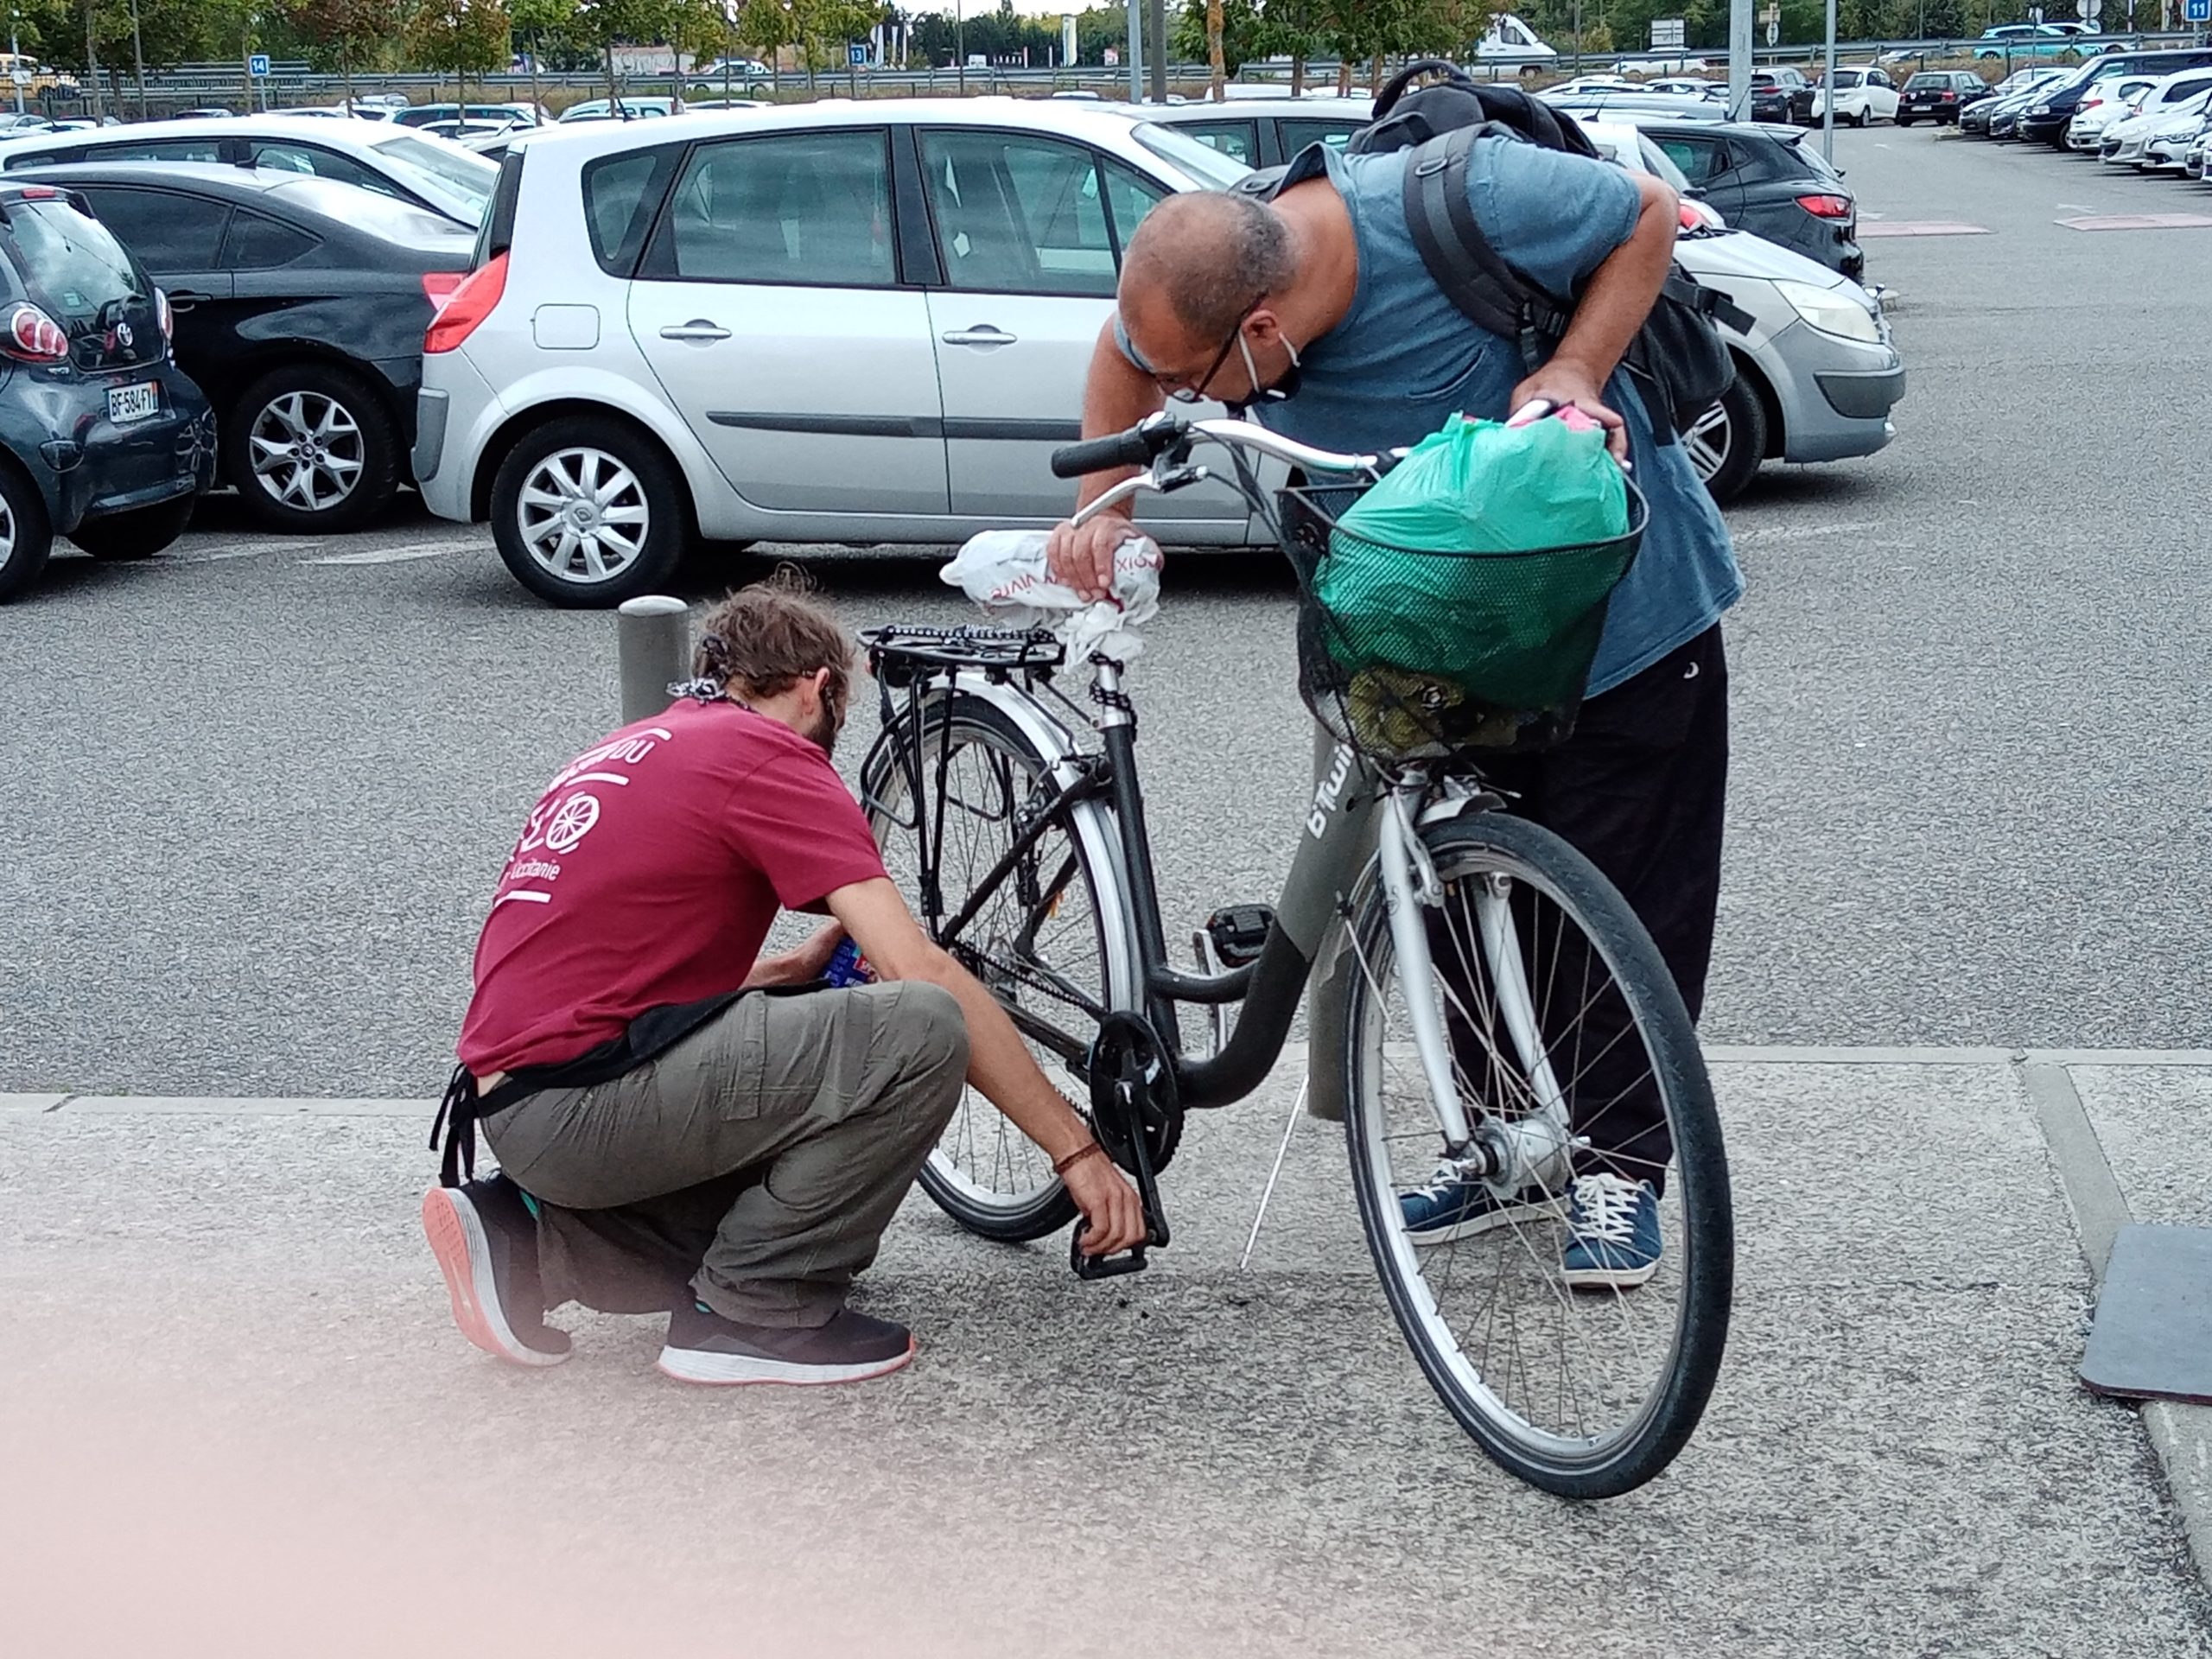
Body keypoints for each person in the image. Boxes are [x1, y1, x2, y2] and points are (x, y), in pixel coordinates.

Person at [1046, 137, 1740, 1290]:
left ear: (1262, 332)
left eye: (1192, 382)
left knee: (1625, 895)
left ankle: (1621, 1161)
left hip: (1616, 621)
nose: (1174, 398)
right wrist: (1102, 510)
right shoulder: (1212, 277)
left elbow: (1648, 214)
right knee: (1448, 891)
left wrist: (1574, 368)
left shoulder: (1476, 198)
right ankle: (1507, 1142)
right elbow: (1125, 359)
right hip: (1428, 644)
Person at [422, 571, 1144, 1386]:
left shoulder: (639, 746)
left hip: (523, 1105)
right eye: (837, 718)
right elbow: (922, 974)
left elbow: (624, 988)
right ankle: (754, 1311)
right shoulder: (766, 751)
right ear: (819, 689)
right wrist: (1076, 1150)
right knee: (918, 1031)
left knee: (788, 1159)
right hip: (585, 1107)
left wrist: (794, 971)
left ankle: (527, 1242)